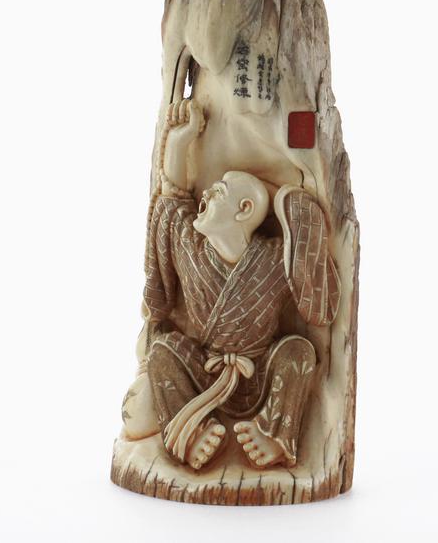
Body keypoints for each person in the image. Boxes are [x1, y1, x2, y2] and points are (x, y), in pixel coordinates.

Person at [143, 99, 340, 470]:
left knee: (298, 350)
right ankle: (190, 434)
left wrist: (295, 208)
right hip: (205, 369)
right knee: (162, 352)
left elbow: (311, 284)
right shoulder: (191, 249)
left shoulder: (274, 259)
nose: (205, 196)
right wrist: (181, 140)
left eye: (217, 192)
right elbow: (173, 199)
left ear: (244, 210)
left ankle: (274, 435)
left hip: (259, 373)